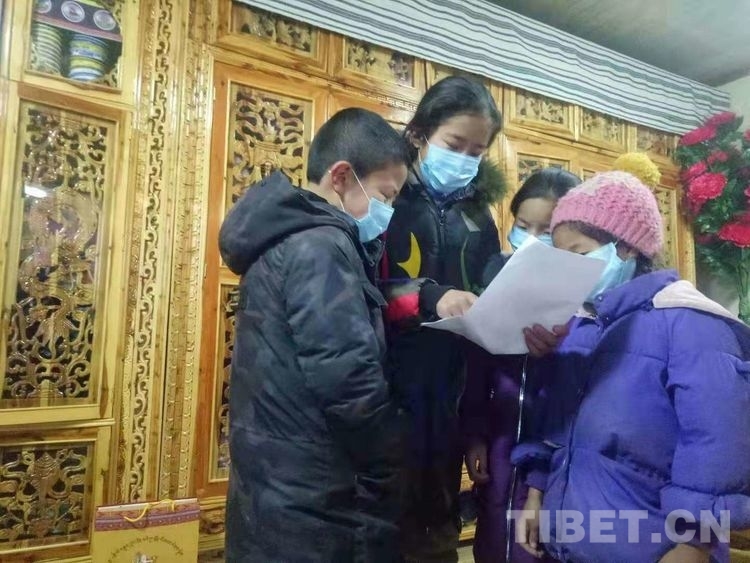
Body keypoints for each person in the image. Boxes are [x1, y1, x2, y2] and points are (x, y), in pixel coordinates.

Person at [512, 171, 750, 563]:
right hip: (570, 544)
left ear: (625, 248)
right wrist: (537, 494)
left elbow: (717, 446)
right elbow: (556, 424)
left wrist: (693, 545)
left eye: (580, 255)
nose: (568, 271)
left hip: (654, 549)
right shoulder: (580, 325)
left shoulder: (691, 324)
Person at [382, 76, 566, 562]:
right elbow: (364, 289)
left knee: (436, 522)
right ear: (420, 134)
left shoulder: (478, 215)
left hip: (451, 391)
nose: (464, 159)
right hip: (387, 387)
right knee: (384, 521)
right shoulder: (388, 197)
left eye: (476, 151)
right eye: (454, 144)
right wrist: (431, 298)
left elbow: (488, 292)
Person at [219, 108, 409, 562]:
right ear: (341, 176)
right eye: (385, 195)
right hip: (318, 493)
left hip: (275, 480)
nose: (388, 211)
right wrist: (391, 460)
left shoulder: (283, 236)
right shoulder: (321, 244)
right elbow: (347, 380)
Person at [461, 168, 581, 563]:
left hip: (551, 453)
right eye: (522, 226)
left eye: (545, 231)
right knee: (495, 540)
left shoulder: (587, 298)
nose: (530, 239)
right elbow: (479, 363)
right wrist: (475, 435)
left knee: (538, 544)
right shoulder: (496, 277)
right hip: (499, 445)